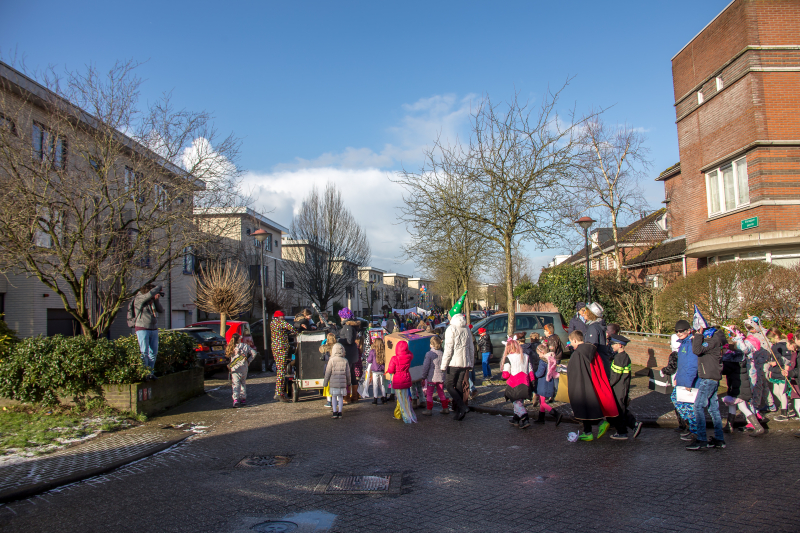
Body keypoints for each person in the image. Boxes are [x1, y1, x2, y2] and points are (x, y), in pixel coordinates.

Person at [566, 330, 618, 441]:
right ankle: (588, 431)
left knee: (583, 407)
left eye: (571, 341)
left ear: (574, 340)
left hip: (581, 383)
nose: (571, 344)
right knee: (587, 407)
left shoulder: (578, 353)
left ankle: (593, 428)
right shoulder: (592, 350)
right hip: (591, 382)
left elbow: (574, 371)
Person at [689, 321, 727, 450]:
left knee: (698, 406)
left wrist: (698, 336)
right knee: (713, 409)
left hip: (708, 379)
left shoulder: (712, 341)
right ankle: (719, 439)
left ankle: (701, 439)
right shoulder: (714, 341)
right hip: (712, 378)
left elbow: (697, 350)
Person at [607, 334, 642, 440]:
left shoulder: (619, 358)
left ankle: (622, 432)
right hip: (622, 386)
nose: (612, 346)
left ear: (620, 345)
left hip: (619, 388)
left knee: (619, 410)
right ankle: (634, 424)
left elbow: (615, 377)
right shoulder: (623, 356)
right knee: (621, 408)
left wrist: (608, 385)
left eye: (614, 344)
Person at [441, 313, 475, 421]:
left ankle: (462, 406)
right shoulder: (466, 329)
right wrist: (471, 362)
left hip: (453, 362)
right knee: (459, 385)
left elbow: (448, 349)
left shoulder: (451, 329)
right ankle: (460, 411)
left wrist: (443, 364)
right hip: (464, 362)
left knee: (449, 385)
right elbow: (471, 347)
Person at [502, 338, 536, 429]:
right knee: (519, 402)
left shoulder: (508, 358)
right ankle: (515, 419)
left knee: (517, 403)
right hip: (525, 382)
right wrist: (532, 381)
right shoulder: (525, 356)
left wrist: (503, 377)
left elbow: (506, 373)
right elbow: (530, 370)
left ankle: (525, 418)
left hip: (514, 384)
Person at [133, 283, 164, 379]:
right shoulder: (139, 298)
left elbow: (160, 310)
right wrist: (159, 287)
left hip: (153, 328)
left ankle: (150, 373)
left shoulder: (152, 300)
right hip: (142, 328)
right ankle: (144, 373)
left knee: (153, 353)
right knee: (144, 352)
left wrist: (156, 300)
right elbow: (148, 295)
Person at [387, 340, 417, 423]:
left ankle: (399, 414)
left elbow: (390, 370)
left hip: (398, 380)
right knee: (406, 397)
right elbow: (410, 353)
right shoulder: (409, 357)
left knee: (399, 398)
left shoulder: (394, 358)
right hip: (406, 378)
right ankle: (406, 413)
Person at [533, 342, 562, 426]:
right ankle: (541, 418)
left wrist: (534, 375)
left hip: (543, 384)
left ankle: (556, 414)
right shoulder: (551, 359)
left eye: (539, 354)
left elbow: (540, 373)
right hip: (548, 382)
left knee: (543, 403)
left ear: (542, 352)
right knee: (542, 401)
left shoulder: (543, 361)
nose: (538, 356)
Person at [226, 333, 257, 408]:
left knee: (235, 384)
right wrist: (249, 360)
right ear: (239, 339)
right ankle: (243, 399)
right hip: (244, 367)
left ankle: (236, 400)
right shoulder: (245, 346)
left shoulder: (231, 347)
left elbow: (228, 356)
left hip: (234, 368)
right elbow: (254, 353)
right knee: (243, 383)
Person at [270, 310, 294, 402]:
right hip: (281, 349)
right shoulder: (279, 323)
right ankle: (279, 393)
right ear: (278, 317)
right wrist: (297, 329)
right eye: (282, 317)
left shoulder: (273, 323)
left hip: (276, 348)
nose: (284, 318)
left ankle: (279, 392)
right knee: (281, 371)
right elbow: (291, 327)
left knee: (281, 370)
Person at [421, 335, 449, 415]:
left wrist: (423, 377)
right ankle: (445, 408)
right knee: (441, 392)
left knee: (429, 393)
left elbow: (426, 367)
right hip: (441, 377)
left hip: (432, 377)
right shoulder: (442, 353)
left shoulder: (429, 354)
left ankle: (429, 410)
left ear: (431, 345)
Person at [323, 343, 351, 419]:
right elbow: (348, 373)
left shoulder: (331, 360)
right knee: (341, 397)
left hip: (333, 383)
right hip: (342, 383)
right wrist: (349, 382)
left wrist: (325, 383)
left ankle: (334, 412)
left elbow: (328, 372)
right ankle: (340, 412)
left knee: (334, 397)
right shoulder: (345, 360)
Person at [582, 303, 609, 375]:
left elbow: (591, 347)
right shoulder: (597, 325)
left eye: (585, 312)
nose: (583, 313)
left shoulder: (593, 327)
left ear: (590, 314)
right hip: (601, 361)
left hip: (597, 362)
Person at [318, 332, 337, 408]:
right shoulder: (336, 346)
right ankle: (337, 400)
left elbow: (320, 350)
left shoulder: (325, 347)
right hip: (336, 367)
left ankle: (329, 401)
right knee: (336, 385)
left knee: (328, 385)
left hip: (327, 367)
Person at [367, 336, 388, 405]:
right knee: (382, 385)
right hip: (382, 370)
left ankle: (375, 399)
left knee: (375, 385)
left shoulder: (373, 351)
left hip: (375, 371)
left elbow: (369, 360)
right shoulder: (384, 351)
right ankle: (384, 398)